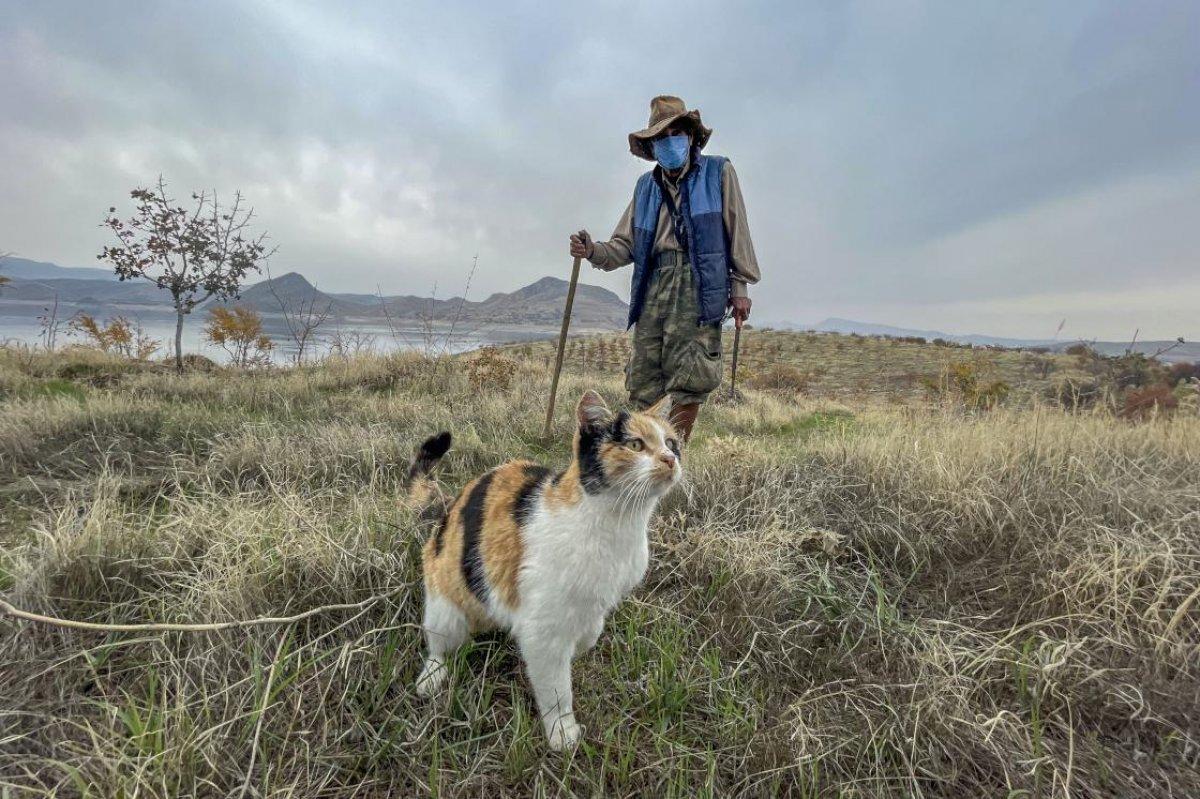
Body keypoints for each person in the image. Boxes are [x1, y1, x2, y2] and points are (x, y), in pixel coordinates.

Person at [570, 95, 760, 441]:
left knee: (690, 374)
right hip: (654, 283)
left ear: (691, 136)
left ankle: (675, 451)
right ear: (652, 146)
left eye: (676, 133)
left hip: (699, 284)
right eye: (661, 137)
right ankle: (645, 454)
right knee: (644, 377)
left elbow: (737, 230)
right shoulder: (645, 187)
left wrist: (740, 287)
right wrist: (593, 250)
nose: (670, 142)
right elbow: (625, 245)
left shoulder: (718, 172)